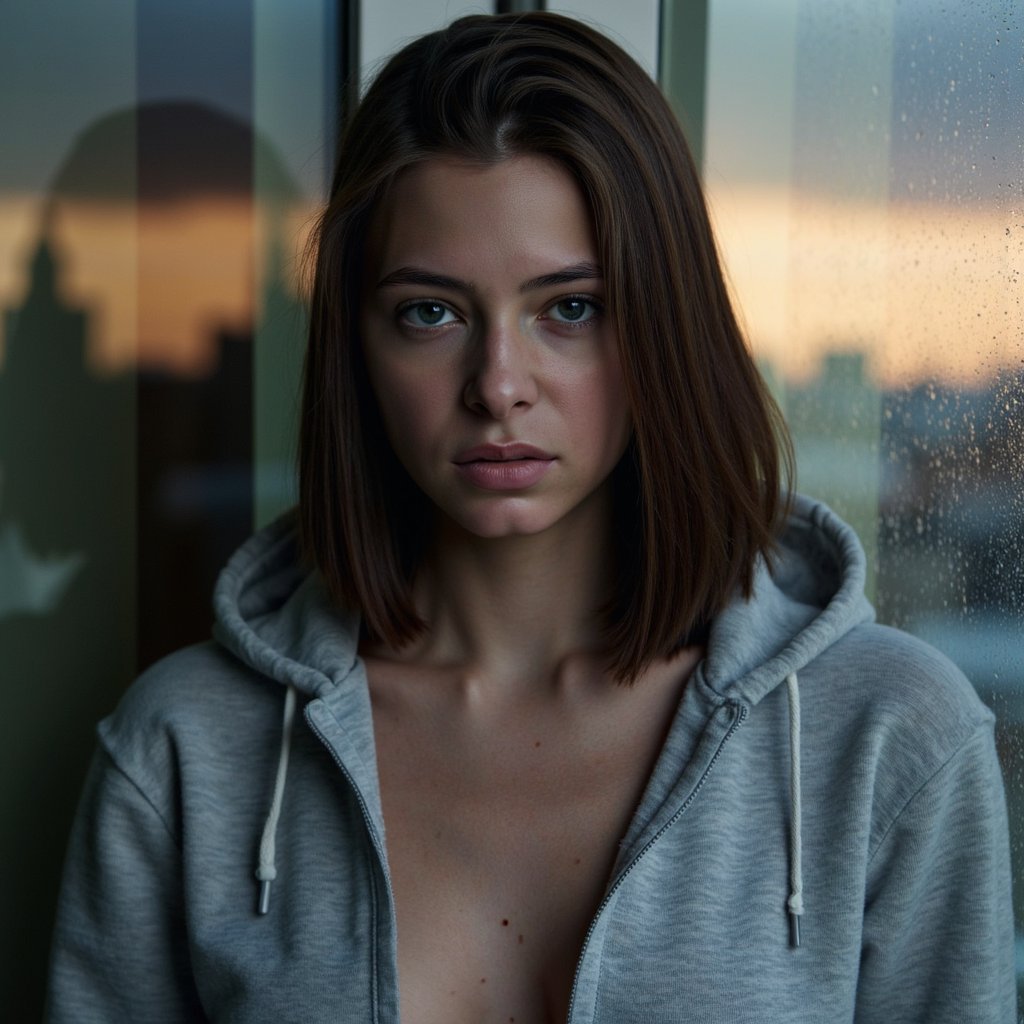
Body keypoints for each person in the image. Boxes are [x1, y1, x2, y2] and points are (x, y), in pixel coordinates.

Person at [46, 12, 1015, 1024]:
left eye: (570, 307)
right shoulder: (187, 749)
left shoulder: (888, 735)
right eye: (430, 312)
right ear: (357, 345)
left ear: (664, 321)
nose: (498, 384)